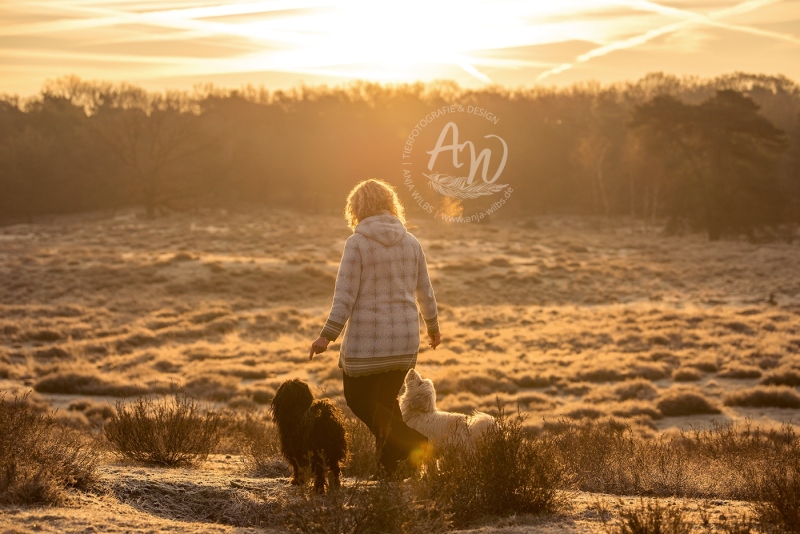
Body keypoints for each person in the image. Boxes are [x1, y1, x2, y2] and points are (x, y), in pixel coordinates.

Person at [309, 178, 441, 476]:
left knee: (358, 399)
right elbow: (426, 291)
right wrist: (433, 327)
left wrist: (326, 336)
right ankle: (391, 469)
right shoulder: (411, 242)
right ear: (390, 204)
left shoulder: (357, 243)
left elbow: (345, 296)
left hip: (370, 339)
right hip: (406, 338)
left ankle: (416, 442)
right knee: (384, 404)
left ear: (357, 208)